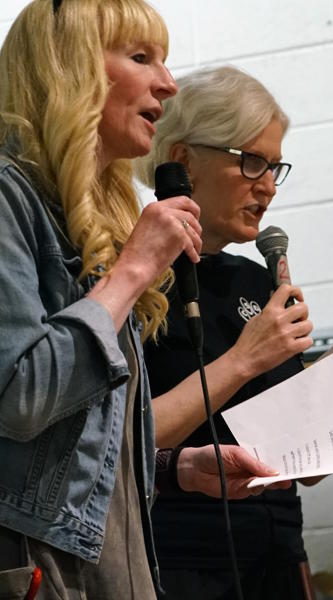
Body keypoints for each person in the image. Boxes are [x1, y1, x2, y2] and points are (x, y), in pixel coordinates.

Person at [134, 65, 333, 600]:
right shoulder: (132, 277)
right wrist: (244, 357)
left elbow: (305, 466)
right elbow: (119, 438)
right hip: (176, 561)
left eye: (274, 166)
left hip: (281, 557)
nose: (267, 185)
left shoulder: (254, 279)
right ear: (182, 159)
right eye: (251, 161)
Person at [0, 3, 287, 599]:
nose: (169, 82)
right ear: (70, 68)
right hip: (39, 566)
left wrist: (173, 468)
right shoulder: (9, 199)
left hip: (116, 556)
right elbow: (20, 398)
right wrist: (133, 269)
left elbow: (81, 435)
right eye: (141, 58)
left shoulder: (88, 221)